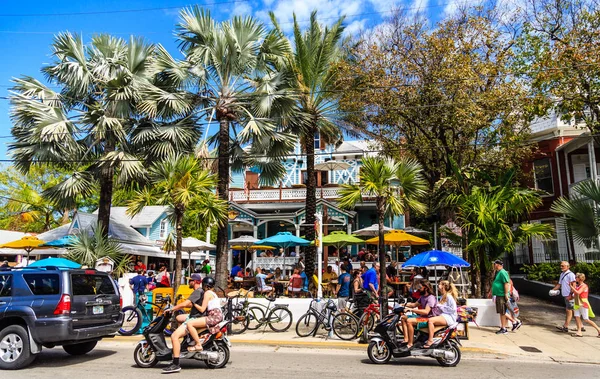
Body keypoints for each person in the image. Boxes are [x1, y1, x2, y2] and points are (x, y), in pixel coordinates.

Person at [162, 273, 206, 374]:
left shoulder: (197, 291)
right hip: (193, 316)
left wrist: (172, 308)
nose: (189, 282)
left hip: (194, 318)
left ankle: (176, 364)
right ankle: (185, 341)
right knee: (178, 318)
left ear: (194, 281)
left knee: (174, 336)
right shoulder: (199, 291)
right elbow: (191, 304)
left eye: (190, 280)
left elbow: (186, 303)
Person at [185, 277, 224, 351]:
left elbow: (202, 309)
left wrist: (194, 304)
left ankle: (198, 344)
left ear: (206, 286)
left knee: (190, 324)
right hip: (218, 315)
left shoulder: (207, 293)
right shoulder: (214, 294)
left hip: (213, 316)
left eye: (203, 285)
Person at [401, 279, 437, 348]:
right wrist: (403, 304)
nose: (419, 289)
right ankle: (406, 339)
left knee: (409, 321)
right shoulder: (422, 297)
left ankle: (410, 344)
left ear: (425, 288)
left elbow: (426, 311)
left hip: (428, 319)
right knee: (403, 318)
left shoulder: (431, 298)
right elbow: (414, 305)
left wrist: (412, 310)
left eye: (420, 287)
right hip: (422, 317)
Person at [424, 280, 458, 348]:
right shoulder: (443, 296)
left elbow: (453, 309)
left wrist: (441, 307)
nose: (438, 286)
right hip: (444, 316)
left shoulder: (448, 296)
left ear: (443, 286)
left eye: (440, 284)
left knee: (431, 321)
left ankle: (430, 340)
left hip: (449, 317)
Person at [570, 273, 600, 338]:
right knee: (577, 316)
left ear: (579, 278)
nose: (575, 279)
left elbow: (578, 292)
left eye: (576, 278)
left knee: (586, 319)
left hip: (583, 303)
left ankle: (599, 329)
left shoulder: (584, 286)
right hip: (577, 302)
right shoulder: (578, 286)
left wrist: (571, 286)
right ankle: (579, 331)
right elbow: (575, 293)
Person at [553, 261, 577, 333]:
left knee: (569, 311)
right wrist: (552, 290)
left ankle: (565, 326)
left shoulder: (571, 274)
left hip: (569, 296)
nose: (561, 267)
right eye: (561, 266)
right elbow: (559, 284)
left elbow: (574, 285)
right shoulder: (562, 274)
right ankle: (580, 326)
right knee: (573, 311)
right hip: (566, 295)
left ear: (568, 266)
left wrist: (571, 295)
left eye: (563, 266)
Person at [491, 259, 511, 334]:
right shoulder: (498, 272)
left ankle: (504, 328)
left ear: (498, 265)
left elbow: (506, 283)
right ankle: (503, 327)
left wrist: (506, 294)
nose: (494, 265)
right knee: (501, 312)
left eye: (495, 264)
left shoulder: (503, 272)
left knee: (502, 311)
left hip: (502, 295)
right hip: (498, 295)